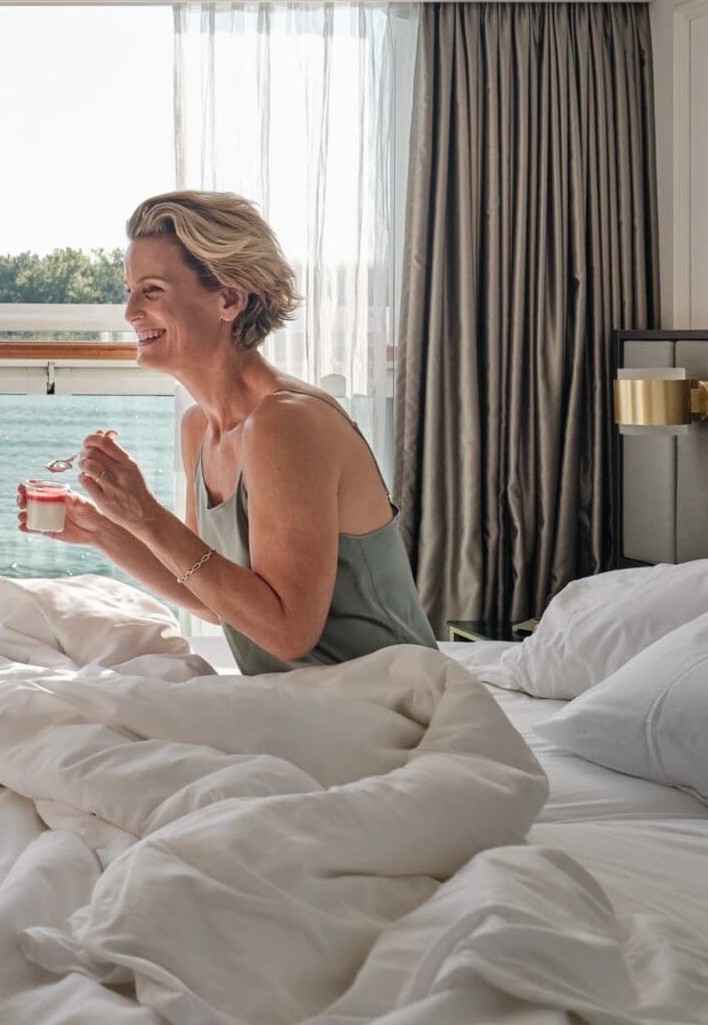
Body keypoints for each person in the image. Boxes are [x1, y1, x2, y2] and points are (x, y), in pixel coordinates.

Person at [32, 190, 436, 674]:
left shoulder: (288, 422)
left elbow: (288, 632)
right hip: (308, 702)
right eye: (129, 290)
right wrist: (102, 529)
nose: (130, 312)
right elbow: (208, 596)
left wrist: (146, 516)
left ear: (228, 299)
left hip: (386, 698)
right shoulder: (199, 426)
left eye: (153, 290)